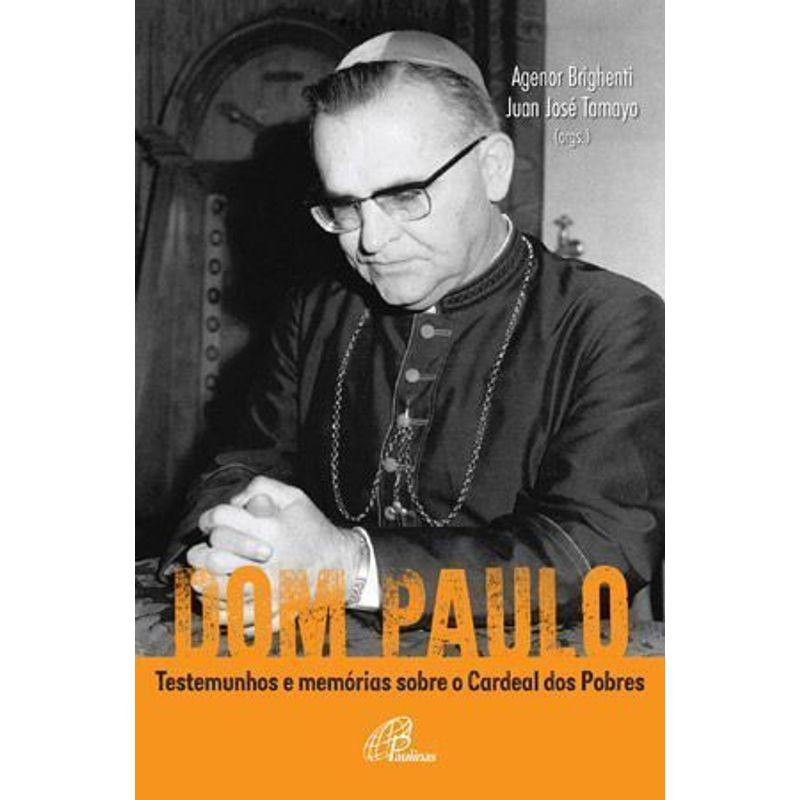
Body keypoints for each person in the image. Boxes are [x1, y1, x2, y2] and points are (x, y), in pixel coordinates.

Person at [158, 30, 664, 627]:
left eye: (403, 196)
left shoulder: (612, 320)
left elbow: (595, 551)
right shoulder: (317, 310)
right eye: (345, 207)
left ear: (493, 169)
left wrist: (348, 566)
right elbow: (242, 469)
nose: (371, 240)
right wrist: (233, 553)